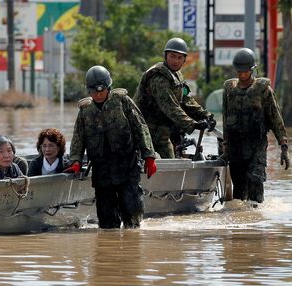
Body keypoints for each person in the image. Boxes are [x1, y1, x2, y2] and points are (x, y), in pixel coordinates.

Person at [66, 65, 156, 229]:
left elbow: (140, 127)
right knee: (107, 222)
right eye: (94, 91)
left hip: (127, 166)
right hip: (102, 170)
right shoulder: (85, 111)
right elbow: (78, 138)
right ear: (88, 91)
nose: (98, 94)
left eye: (102, 90)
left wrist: (149, 156)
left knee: (132, 212)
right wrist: (76, 161)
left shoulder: (122, 102)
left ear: (109, 88)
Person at [222, 48, 289, 204]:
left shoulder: (263, 90)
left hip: (256, 145)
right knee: (239, 190)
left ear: (252, 69)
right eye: (239, 71)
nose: (242, 74)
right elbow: (226, 119)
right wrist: (225, 146)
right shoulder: (229, 90)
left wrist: (284, 146)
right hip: (236, 146)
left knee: (255, 179)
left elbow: (275, 118)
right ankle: (242, 223)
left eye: (245, 71)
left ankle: (257, 219)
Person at [132, 37, 216, 159]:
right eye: (172, 56)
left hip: (161, 133)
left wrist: (205, 115)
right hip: (144, 132)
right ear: (165, 56)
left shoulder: (176, 76)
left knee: (170, 165)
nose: (175, 61)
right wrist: (193, 124)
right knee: (143, 167)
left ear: (184, 60)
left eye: (179, 57)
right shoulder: (158, 78)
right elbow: (170, 107)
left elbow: (186, 100)